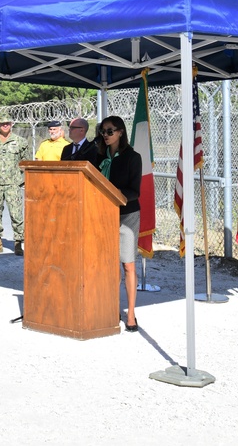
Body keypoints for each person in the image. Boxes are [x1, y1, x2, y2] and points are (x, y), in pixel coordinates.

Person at [92, 115, 142, 333]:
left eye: (110, 131)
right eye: (103, 131)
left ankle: (130, 313)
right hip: (103, 215)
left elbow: (134, 191)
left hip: (126, 215)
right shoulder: (98, 156)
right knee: (108, 265)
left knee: (127, 264)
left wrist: (114, 195)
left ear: (121, 132)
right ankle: (111, 307)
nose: (106, 135)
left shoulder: (133, 157)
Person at [0, 115, 28, 256]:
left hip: (13, 184)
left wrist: (18, 179)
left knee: (17, 214)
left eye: (7, 123)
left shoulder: (20, 141)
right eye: (2, 123)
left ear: (11, 124)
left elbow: (24, 161)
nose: (5, 125)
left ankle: (18, 243)